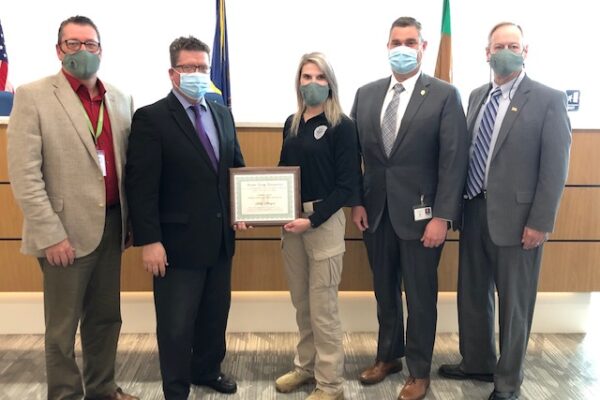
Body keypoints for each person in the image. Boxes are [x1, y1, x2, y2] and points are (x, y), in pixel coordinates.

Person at [438, 22, 572, 400]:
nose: (506, 51)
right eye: (499, 45)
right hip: (474, 211)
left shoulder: (548, 99)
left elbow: (555, 168)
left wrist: (540, 222)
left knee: (515, 305)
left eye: (514, 45)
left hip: (519, 223)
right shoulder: (478, 95)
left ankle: (508, 382)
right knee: (473, 295)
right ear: (487, 52)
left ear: (526, 52)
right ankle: (477, 362)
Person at [7, 15, 137, 400]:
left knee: (105, 319)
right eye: (73, 44)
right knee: (62, 330)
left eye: (90, 44)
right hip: (62, 233)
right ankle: (65, 394)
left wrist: (131, 223)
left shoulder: (119, 98)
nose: (83, 52)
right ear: (58, 50)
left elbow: (127, 164)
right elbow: (26, 176)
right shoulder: (32, 96)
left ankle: (102, 388)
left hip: (111, 226)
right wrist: (50, 235)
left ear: (101, 50)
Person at [351, 16, 469, 400]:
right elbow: (354, 155)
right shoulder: (366, 94)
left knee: (420, 297)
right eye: (396, 42)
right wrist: (356, 202)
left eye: (410, 42)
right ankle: (389, 357)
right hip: (376, 213)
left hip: (423, 220)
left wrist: (442, 216)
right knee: (384, 292)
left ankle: (419, 370)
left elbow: (454, 161)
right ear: (387, 47)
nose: (402, 48)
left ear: (423, 47)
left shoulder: (444, 95)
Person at [125, 36, 245, 400]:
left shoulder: (221, 112)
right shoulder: (152, 118)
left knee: (214, 315)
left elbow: (234, 167)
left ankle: (207, 370)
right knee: (176, 325)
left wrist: (242, 208)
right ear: (173, 73)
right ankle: (175, 389)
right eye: (189, 68)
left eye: (202, 68)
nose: (197, 74)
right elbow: (141, 186)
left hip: (220, 238)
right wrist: (149, 240)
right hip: (174, 245)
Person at [275, 52, 359, 400]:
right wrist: (264, 208)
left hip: (322, 222)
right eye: (306, 77)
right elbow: (281, 174)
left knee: (323, 308)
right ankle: (305, 368)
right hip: (291, 223)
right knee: (302, 303)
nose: (312, 83)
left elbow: (348, 185)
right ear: (298, 82)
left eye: (320, 77)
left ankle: (330, 385)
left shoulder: (343, 125)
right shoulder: (291, 123)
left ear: (331, 84)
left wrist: (312, 218)